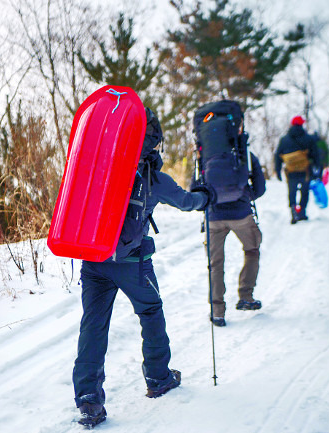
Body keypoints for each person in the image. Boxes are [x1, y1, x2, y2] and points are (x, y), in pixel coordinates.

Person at [73, 108, 213, 428]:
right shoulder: (153, 177)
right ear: (153, 144)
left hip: (93, 261)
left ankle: (89, 401)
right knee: (150, 312)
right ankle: (159, 378)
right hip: (133, 264)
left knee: (93, 326)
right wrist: (204, 198)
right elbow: (187, 201)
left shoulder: (100, 166)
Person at [206, 150, 266, 327]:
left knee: (215, 263)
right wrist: (245, 196)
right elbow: (260, 187)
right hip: (241, 214)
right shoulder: (244, 152)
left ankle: (217, 312)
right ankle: (246, 296)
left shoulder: (205, 152)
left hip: (214, 217)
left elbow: (196, 185)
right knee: (252, 250)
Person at [275, 115, 320, 224]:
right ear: (302, 124)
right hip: (305, 171)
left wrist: (278, 170)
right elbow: (315, 154)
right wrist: (317, 167)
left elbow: (278, 155)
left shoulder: (284, 139)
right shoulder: (308, 138)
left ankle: (293, 211)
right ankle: (302, 213)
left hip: (291, 172)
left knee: (292, 192)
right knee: (304, 192)